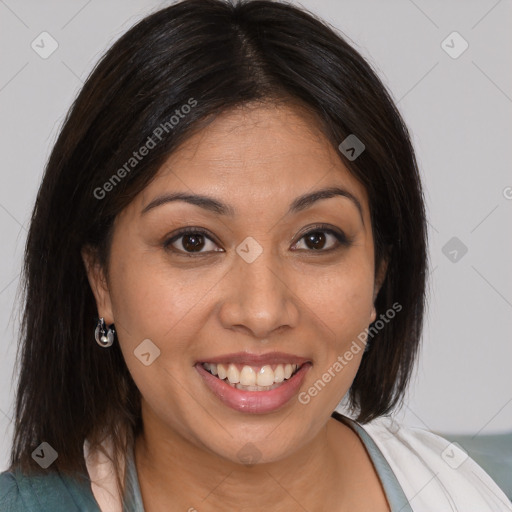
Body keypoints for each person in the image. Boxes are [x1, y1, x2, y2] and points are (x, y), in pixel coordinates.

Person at [1, 0, 510, 511]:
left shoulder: (482, 491)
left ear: (379, 274)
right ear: (101, 281)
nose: (263, 312)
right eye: (193, 241)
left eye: (316, 240)